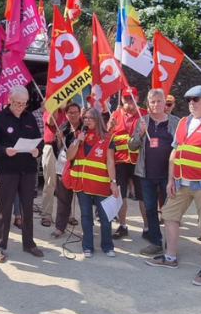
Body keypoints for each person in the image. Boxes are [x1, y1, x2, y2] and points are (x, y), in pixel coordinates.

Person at [146, 85, 201, 287]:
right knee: (169, 216)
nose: (192, 103)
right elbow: (175, 152)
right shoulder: (184, 122)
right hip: (180, 182)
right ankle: (170, 257)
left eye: (197, 99)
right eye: (188, 99)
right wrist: (170, 180)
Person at [0, 85, 45, 263]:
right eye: (17, 103)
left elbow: (39, 141)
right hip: (8, 170)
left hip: (28, 169)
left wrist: (38, 151)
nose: (21, 107)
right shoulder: (0, 118)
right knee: (4, 208)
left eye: (24, 104)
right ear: (10, 100)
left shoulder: (29, 117)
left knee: (28, 207)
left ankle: (29, 243)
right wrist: (4, 150)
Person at [128, 88, 179, 256]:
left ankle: (170, 245)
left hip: (168, 176)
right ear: (148, 104)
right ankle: (155, 242)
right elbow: (132, 146)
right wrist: (141, 134)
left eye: (159, 101)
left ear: (165, 103)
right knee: (150, 209)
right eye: (152, 102)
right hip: (146, 174)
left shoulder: (176, 122)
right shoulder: (142, 122)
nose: (156, 104)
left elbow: (181, 147)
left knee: (169, 211)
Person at [64, 108, 118, 257]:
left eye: (91, 118)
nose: (87, 120)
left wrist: (113, 182)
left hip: (100, 184)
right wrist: (77, 141)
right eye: (85, 117)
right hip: (82, 184)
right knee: (86, 216)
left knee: (105, 216)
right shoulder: (78, 136)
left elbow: (110, 162)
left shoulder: (107, 138)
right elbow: (69, 156)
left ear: (97, 119)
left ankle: (107, 246)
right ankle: (87, 246)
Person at [108, 87, 147, 240]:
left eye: (131, 98)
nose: (128, 101)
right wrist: (109, 126)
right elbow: (107, 135)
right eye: (125, 98)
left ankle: (147, 227)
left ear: (137, 98)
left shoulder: (144, 114)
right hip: (120, 161)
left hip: (139, 161)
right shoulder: (115, 114)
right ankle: (122, 225)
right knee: (120, 195)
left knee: (143, 196)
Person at [50, 102, 84, 238]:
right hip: (63, 168)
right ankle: (60, 227)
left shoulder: (85, 128)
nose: (73, 115)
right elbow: (58, 148)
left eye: (76, 112)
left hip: (81, 169)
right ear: (66, 114)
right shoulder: (63, 127)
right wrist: (58, 139)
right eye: (70, 113)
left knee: (84, 201)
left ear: (80, 113)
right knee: (63, 199)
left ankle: (87, 228)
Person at [40, 101, 67, 227]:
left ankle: (68, 215)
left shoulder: (69, 112)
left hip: (66, 148)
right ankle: (46, 215)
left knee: (67, 183)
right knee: (50, 182)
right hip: (50, 147)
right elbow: (51, 122)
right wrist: (55, 106)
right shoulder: (48, 111)